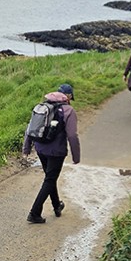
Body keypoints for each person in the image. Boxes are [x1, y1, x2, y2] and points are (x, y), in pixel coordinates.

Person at [22, 83, 81, 223]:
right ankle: (34, 212)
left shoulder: (42, 107)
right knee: (49, 180)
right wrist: (76, 156)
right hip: (56, 152)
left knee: (50, 177)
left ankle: (56, 206)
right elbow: (72, 135)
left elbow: (29, 129)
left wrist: (26, 149)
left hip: (40, 149)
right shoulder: (68, 111)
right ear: (69, 96)